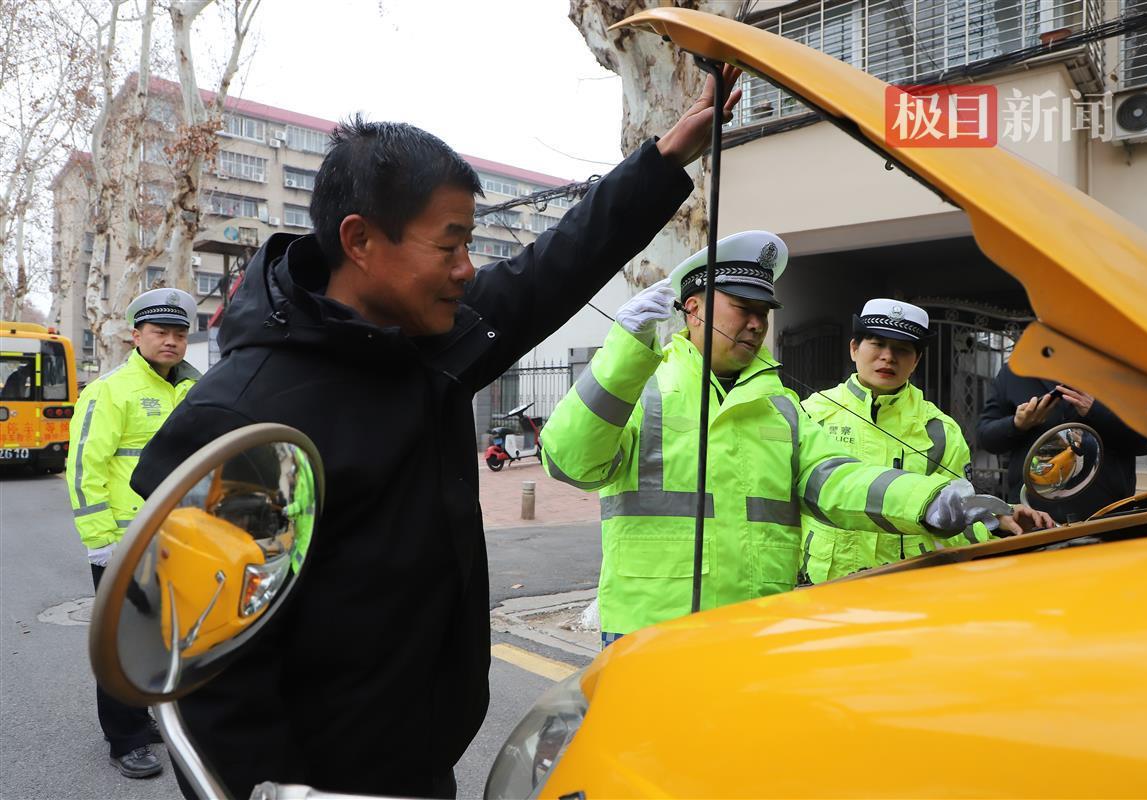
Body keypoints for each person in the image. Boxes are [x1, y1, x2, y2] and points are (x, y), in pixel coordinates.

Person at [130, 67, 745, 800]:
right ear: (359, 241)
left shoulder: (428, 343)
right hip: (322, 786)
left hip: (421, 761)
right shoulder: (245, 418)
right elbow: (209, 681)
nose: (467, 269)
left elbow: (550, 268)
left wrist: (663, 160)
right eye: (449, 245)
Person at [539, 233, 1026, 645]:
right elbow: (570, 461)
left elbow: (837, 481)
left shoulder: (782, 407)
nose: (755, 323)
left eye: (763, 312)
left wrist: (936, 499)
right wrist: (622, 356)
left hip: (753, 628)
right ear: (693, 309)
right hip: (652, 629)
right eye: (742, 308)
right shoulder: (640, 386)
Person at [799, 299, 1054, 584]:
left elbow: (957, 516)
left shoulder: (939, 430)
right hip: (825, 582)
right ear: (854, 349)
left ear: (916, 360)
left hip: (908, 582)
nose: (888, 357)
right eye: (877, 344)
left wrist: (997, 522)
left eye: (901, 349)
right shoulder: (812, 413)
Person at [66, 287, 199, 779]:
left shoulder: (191, 388)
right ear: (136, 335)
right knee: (123, 644)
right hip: (124, 543)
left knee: (167, 641)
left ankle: (149, 716)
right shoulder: (110, 390)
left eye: (179, 333)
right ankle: (125, 738)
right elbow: (84, 468)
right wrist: (100, 540)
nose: (170, 341)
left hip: (181, 539)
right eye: (160, 332)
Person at [977, 360, 1147, 522]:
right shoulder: (1015, 371)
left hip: (1107, 516)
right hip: (1034, 517)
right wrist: (1017, 424)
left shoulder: (1117, 369)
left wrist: (1095, 411)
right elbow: (986, 436)